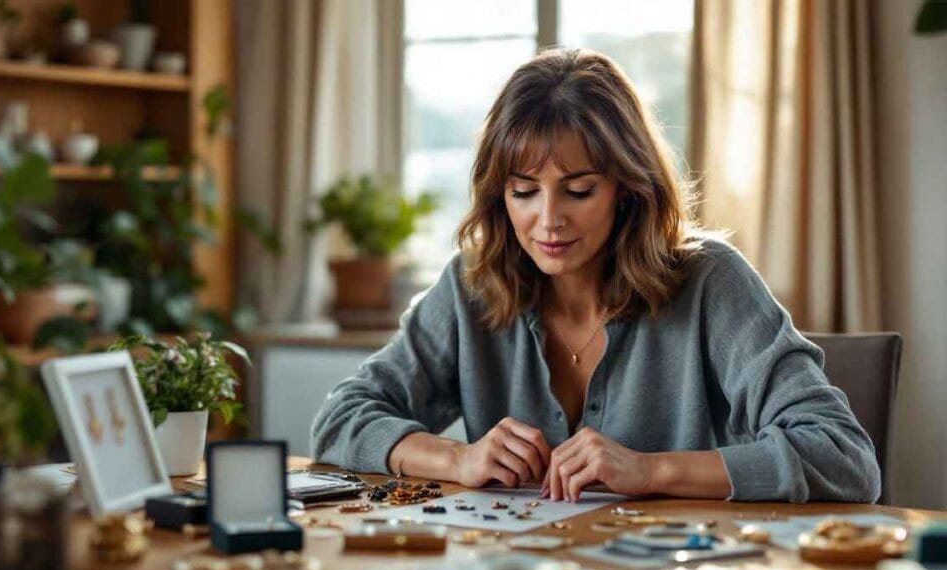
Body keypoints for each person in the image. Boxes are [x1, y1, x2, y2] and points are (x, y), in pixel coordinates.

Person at [309, 48, 880, 503]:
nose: (548, 220)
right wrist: (456, 457)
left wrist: (651, 470)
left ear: (627, 188)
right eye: (524, 192)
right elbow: (341, 418)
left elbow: (844, 458)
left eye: (579, 190)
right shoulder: (471, 285)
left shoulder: (711, 282)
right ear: (498, 195)